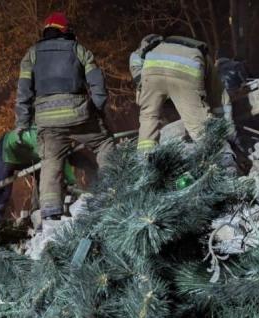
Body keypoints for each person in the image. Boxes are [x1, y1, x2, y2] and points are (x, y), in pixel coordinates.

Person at [14, 12, 114, 223]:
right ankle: (110, 190)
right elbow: (98, 83)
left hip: (48, 120)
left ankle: (50, 210)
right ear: (65, 30)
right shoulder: (78, 50)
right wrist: (96, 108)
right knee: (104, 143)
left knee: (51, 160)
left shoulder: (31, 55)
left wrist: (22, 122)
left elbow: (23, 91)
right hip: (79, 114)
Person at [130, 34, 236, 172]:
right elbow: (220, 100)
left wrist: (143, 91)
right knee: (198, 125)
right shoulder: (205, 60)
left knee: (148, 117)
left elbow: (136, 64)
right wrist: (229, 132)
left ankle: (143, 165)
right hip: (187, 68)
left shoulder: (154, 47)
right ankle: (225, 160)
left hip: (151, 67)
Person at [0, 126, 96, 224]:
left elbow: (63, 162)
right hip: (6, 152)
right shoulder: (42, 138)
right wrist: (72, 182)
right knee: (3, 190)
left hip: (29, 156)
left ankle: (39, 214)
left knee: (45, 182)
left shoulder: (54, 140)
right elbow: (61, 164)